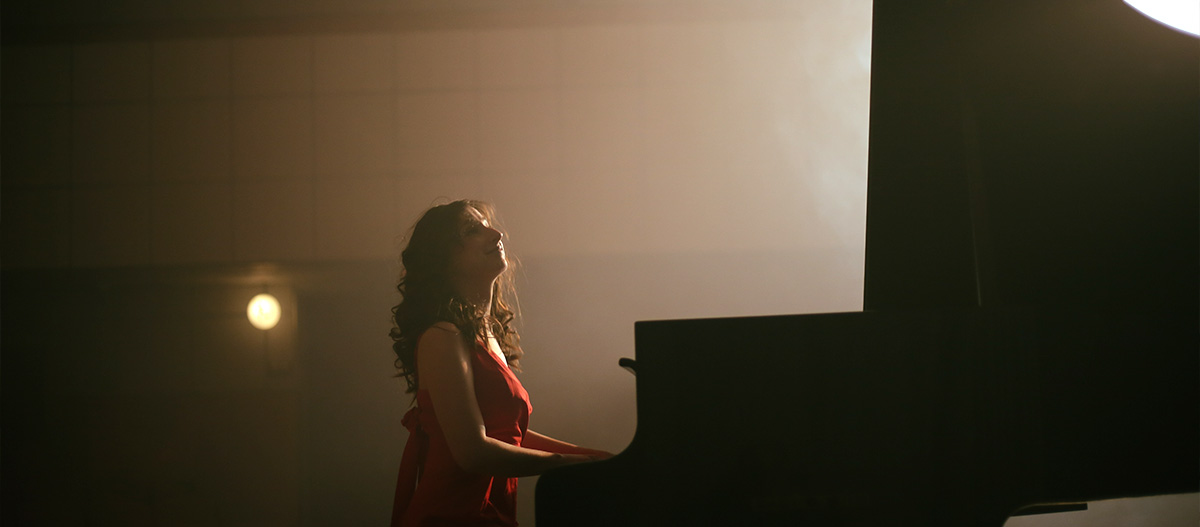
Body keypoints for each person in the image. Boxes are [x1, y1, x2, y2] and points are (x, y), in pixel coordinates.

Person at [389, 199, 610, 526]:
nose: (496, 233)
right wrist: (568, 463)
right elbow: (473, 452)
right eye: (472, 230)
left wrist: (591, 457)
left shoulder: (486, 336)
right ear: (444, 258)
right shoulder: (443, 335)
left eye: (487, 225)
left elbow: (509, 435)